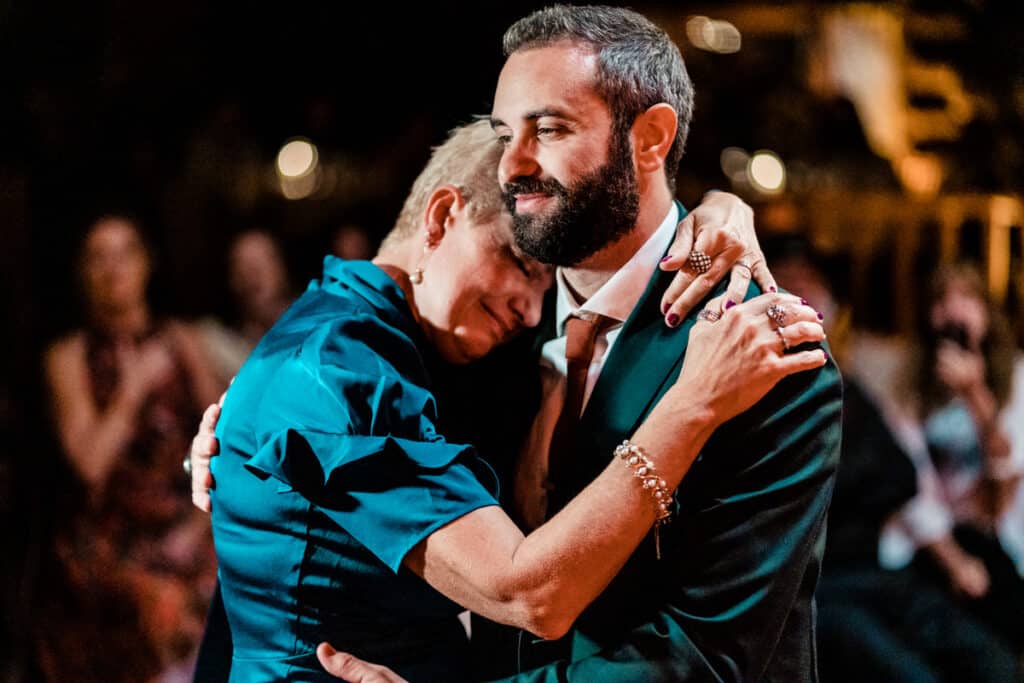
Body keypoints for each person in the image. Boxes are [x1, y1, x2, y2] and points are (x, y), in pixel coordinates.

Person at [195, 6, 841, 681]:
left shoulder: (762, 351)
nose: (513, 164)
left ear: (650, 139)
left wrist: (723, 209)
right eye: (506, 134)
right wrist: (237, 443)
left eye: (550, 128)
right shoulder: (480, 340)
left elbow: (706, 656)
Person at [40, 215, 222, 681]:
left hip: (188, 524)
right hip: (114, 540)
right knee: (158, 604)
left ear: (145, 264)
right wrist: (133, 389)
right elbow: (89, 464)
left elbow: (226, 442)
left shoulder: (182, 341)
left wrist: (196, 526)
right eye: (98, 257)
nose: (112, 269)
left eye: (124, 254)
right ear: (82, 271)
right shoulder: (70, 355)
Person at [197, 228, 294, 385]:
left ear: (282, 267)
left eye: (263, 261)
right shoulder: (219, 344)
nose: (253, 273)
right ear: (230, 278)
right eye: (242, 265)